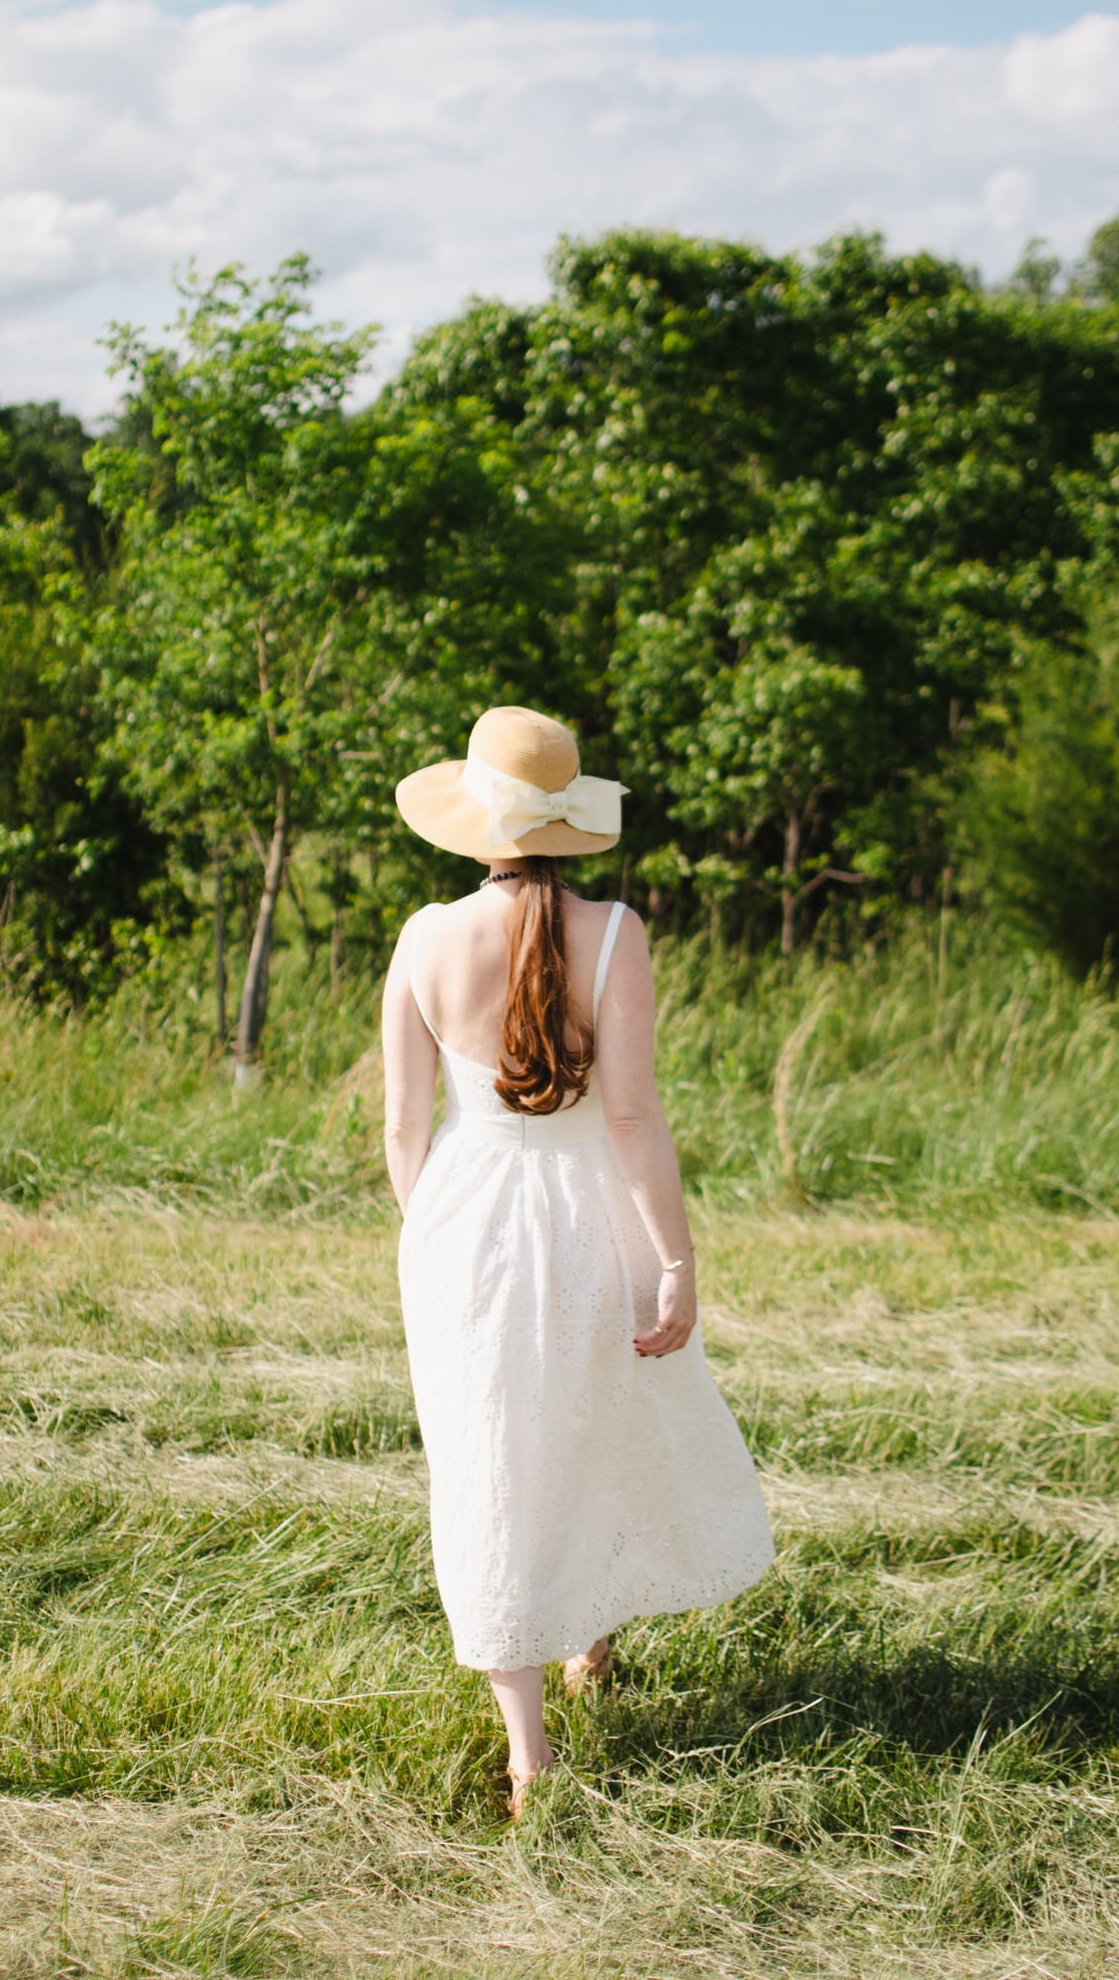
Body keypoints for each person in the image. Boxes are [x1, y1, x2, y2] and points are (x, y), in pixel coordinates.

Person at [382, 705, 774, 1815]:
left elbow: (403, 1129)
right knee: (593, 1414)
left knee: (490, 1459)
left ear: (474, 823)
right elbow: (634, 1117)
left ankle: (527, 1751)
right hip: (588, 1207)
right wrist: (677, 1258)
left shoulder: (421, 937)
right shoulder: (616, 933)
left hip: (463, 1220)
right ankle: (588, 1634)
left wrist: (436, 1235)